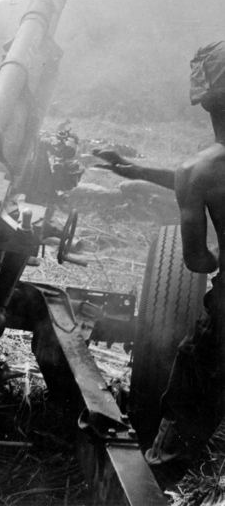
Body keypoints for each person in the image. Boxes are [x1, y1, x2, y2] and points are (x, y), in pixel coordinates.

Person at [94, 41, 225, 476]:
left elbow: (197, 262)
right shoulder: (195, 172)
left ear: (205, 102)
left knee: (193, 392)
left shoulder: (199, 170)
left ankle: (159, 475)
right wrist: (137, 169)